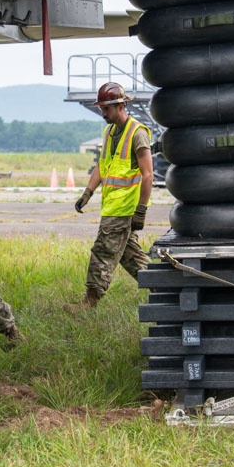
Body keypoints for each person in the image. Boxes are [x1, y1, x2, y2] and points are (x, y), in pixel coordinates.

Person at [67, 82, 154, 311]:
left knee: (103, 251)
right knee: (130, 257)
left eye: (106, 109)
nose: (103, 113)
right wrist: (87, 193)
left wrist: (141, 211)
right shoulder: (108, 132)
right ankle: (164, 290)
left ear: (120, 105)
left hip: (125, 209)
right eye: (101, 109)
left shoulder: (138, 134)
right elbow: (102, 166)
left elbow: (148, 175)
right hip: (112, 206)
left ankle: (90, 300)